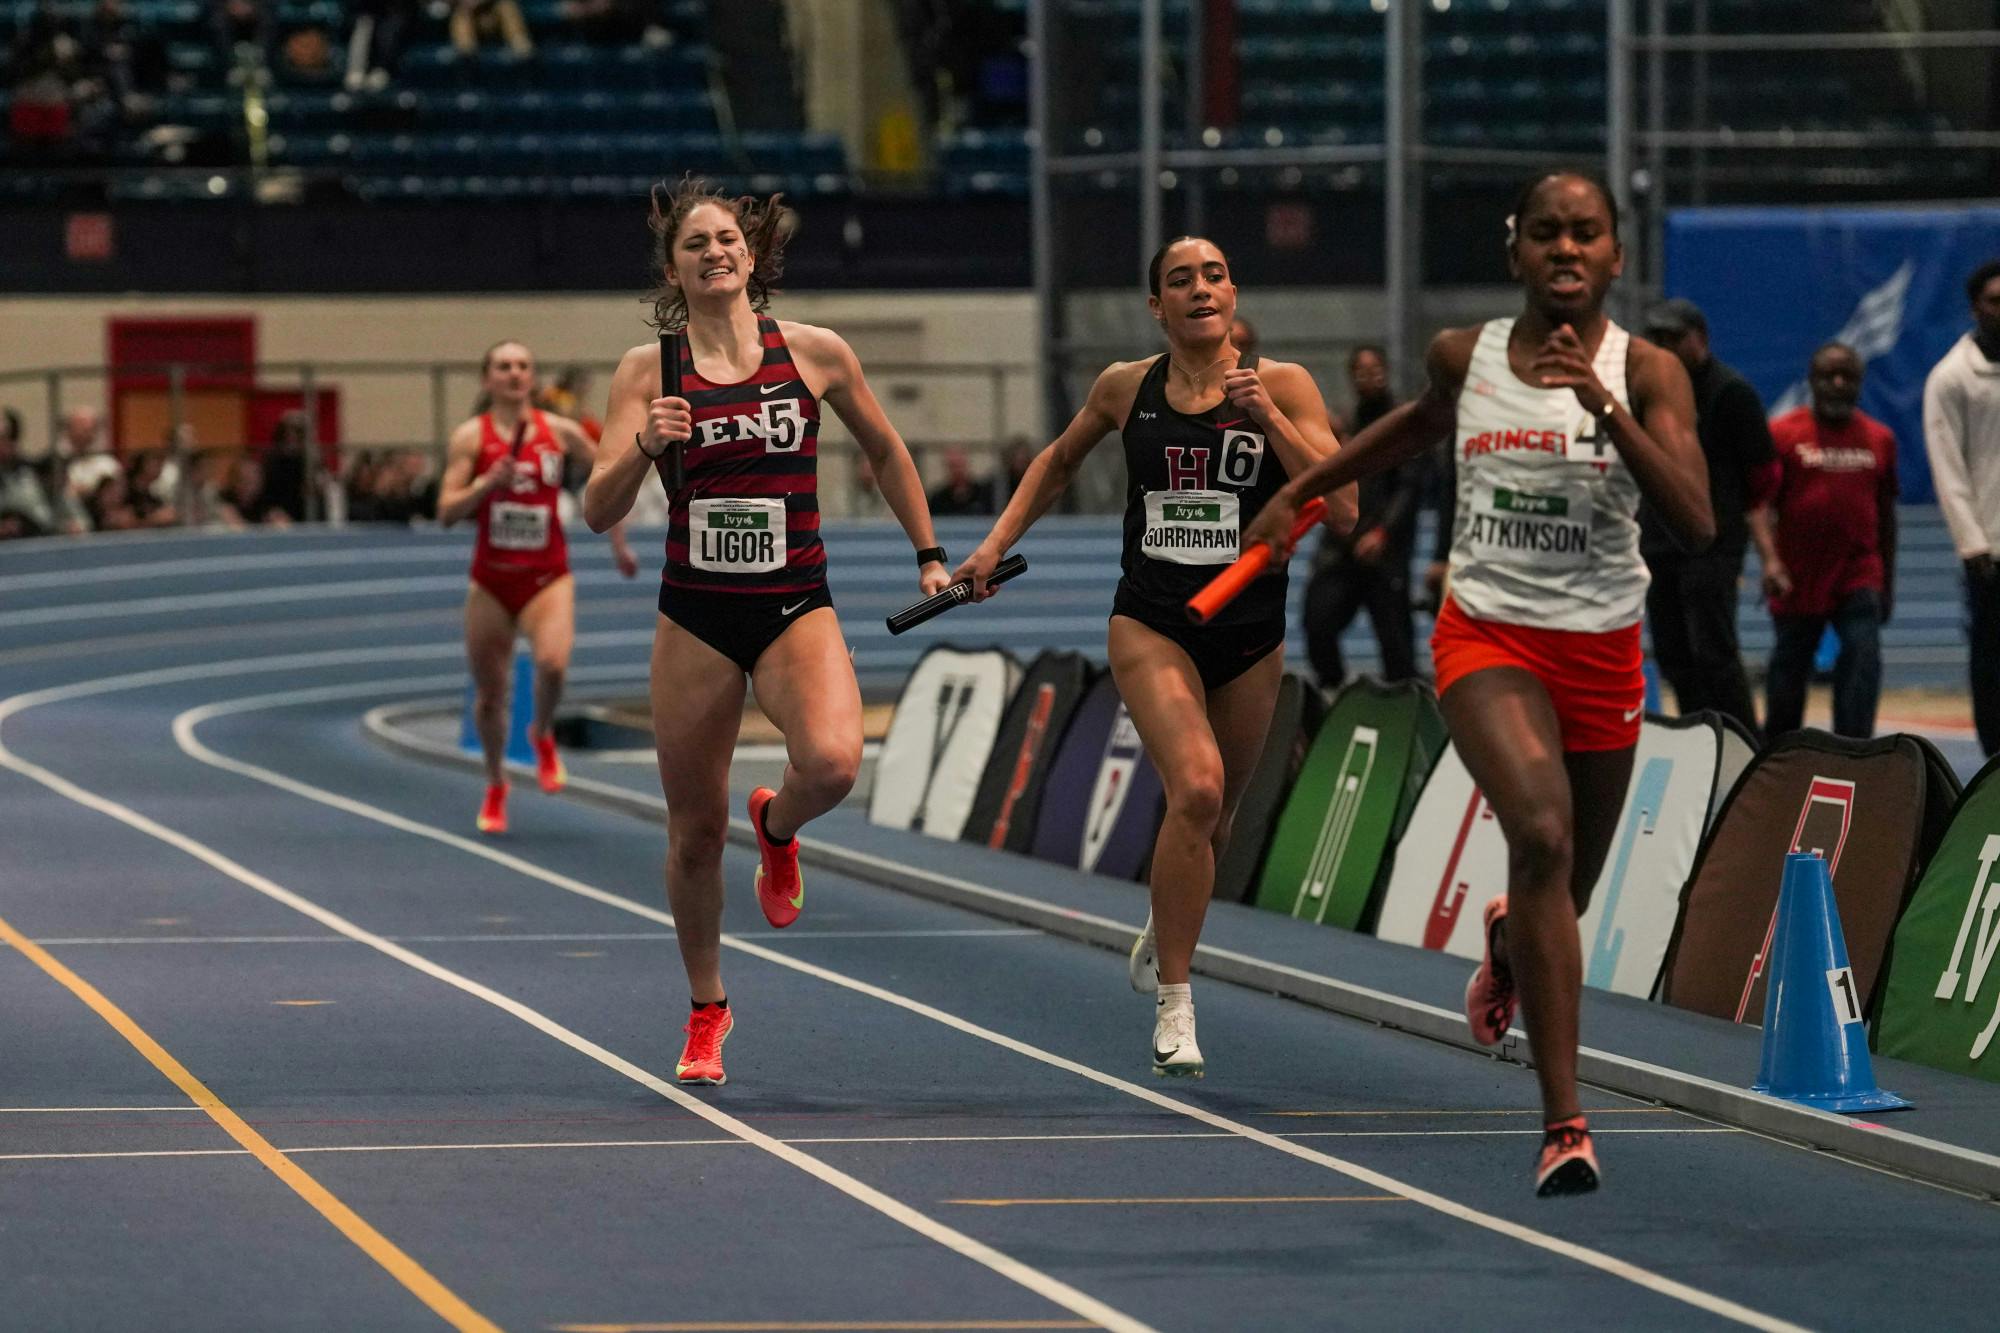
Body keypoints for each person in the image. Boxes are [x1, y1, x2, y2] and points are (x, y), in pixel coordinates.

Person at [1243, 172, 1713, 1196]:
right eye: (1545, 232)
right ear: (1515, 252)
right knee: (1539, 835)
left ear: (1616, 255)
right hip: (1486, 633)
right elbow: (1418, 423)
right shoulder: (1466, 354)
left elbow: (1694, 518)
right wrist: (1302, 488)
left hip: (1602, 648)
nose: (1564, 248)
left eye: (1584, 233)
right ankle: (1564, 1124)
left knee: (1562, 889)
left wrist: (1603, 407)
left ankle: (1507, 942)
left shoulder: (1649, 372)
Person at [583, 180, 952, 1087]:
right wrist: (645, 446)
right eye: (695, 244)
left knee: (832, 762)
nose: (715, 251)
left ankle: (778, 824)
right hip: (697, 612)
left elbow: (885, 449)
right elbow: (597, 509)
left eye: (727, 239)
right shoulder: (647, 370)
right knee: (695, 832)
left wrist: (930, 555)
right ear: (673, 270)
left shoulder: (815, 352)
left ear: (751, 255)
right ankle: (707, 1006)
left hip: (795, 601)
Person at [955, 235, 1347, 1080]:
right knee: (1196, 788)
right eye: (1181, 279)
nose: (1200, 288)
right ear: (1156, 305)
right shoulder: (1124, 386)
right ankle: (1176, 1000)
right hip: (1153, 621)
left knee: (1217, 816)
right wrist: (992, 546)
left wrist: (1270, 419)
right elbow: (1058, 462)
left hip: (1250, 633)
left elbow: (1343, 504)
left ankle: (1166, 920)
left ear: (1232, 294)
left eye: (1214, 275)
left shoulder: (1283, 385)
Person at [438, 340, 638, 835]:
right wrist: (487, 483)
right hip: (491, 580)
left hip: (547, 577)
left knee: (552, 663)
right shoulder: (471, 437)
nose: (514, 373)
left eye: (522, 366)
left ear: (532, 378)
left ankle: (542, 732)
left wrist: (619, 544)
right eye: (503, 366)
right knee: (490, 696)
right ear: (487, 379)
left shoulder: (561, 432)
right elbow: (445, 512)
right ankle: (495, 783)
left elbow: (611, 479)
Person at [1640, 298, 1773, 737]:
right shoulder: (1648, 388)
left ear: (1700, 339)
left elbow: (1763, 473)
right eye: (1657, 338)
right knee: (1673, 653)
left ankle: (1742, 742)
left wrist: (1739, 528)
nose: (1664, 347)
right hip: (1659, 540)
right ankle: (1697, 738)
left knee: (1713, 651)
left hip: (1712, 543)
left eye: (1674, 338)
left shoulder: (1730, 392)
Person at [1751, 342, 1898, 741]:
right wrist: (1770, 561)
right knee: (1788, 675)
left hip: (1859, 573)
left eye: (1847, 376)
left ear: (1860, 382)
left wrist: (1887, 582)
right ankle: (1779, 751)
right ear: (1812, 381)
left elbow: (1887, 516)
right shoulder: (1783, 434)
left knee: (1862, 655)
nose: (1837, 384)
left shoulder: (1880, 439)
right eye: (1828, 376)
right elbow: (1759, 505)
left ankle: (1854, 751)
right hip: (1798, 577)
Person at [1303, 345, 1425, 688]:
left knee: (1396, 643)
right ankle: (1331, 692)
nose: (1370, 377)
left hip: (1384, 549)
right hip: (1341, 545)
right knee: (1317, 620)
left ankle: (1403, 701)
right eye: (1361, 371)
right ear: (1351, 376)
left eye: (1375, 369)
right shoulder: (1343, 423)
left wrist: (1384, 533)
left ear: (1386, 371)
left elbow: (1409, 486)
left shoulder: (1404, 422)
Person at [1924, 259, 2000, 757]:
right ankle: (1995, 758)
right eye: (1995, 301)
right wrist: (1972, 545)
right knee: (1992, 658)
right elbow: (1947, 467)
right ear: (1975, 307)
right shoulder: (1952, 378)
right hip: (1990, 550)